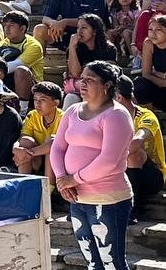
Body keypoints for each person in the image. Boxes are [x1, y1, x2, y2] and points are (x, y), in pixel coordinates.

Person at [50, 60, 134, 270]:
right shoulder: (73, 111)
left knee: (111, 262)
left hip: (107, 198)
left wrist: (72, 179)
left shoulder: (116, 115)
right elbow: (57, 147)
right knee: (92, 261)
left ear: (106, 85)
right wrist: (62, 180)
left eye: (90, 80)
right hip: (77, 197)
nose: (82, 84)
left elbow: (109, 160)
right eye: (82, 79)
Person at [114, 74, 166, 224]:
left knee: (133, 151)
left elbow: (136, 142)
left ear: (118, 97)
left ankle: (132, 209)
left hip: (151, 176)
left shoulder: (145, 116)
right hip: (120, 171)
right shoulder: (110, 117)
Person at [13, 81, 63, 180]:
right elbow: (22, 138)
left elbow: (57, 144)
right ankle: (24, 181)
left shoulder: (63, 117)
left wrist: (28, 153)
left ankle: (49, 186)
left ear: (55, 103)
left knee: (52, 140)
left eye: (42, 100)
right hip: (36, 159)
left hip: (56, 161)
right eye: (35, 100)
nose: (37, 104)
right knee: (25, 141)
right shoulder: (32, 115)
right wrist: (16, 149)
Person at [64, 14, 117, 106]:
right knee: (70, 98)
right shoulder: (75, 49)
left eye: (84, 28)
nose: (79, 31)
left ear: (95, 31)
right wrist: (72, 47)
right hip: (79, 89)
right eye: (78, 28)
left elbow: (108, 75)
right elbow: (76, 73)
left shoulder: (109, 49)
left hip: (101, 90)